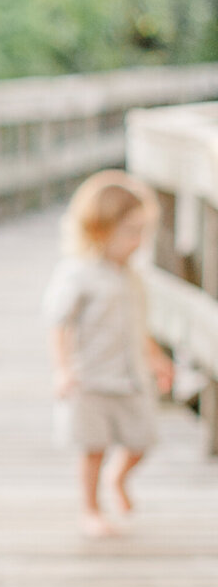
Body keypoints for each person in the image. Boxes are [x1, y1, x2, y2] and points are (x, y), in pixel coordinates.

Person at [43, 172, 173, 538]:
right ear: (99, 229)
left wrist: (156, 358)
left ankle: (119, 478)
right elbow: (59, 323)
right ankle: (91, 509)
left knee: (142, 440)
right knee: (92, 449)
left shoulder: (130, 275)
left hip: (130, 376)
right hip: (91, 379)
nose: (139, 242)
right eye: (132, 232)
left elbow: (136, 325)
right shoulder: (78, 274)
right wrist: (62, 369)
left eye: (143, 232)